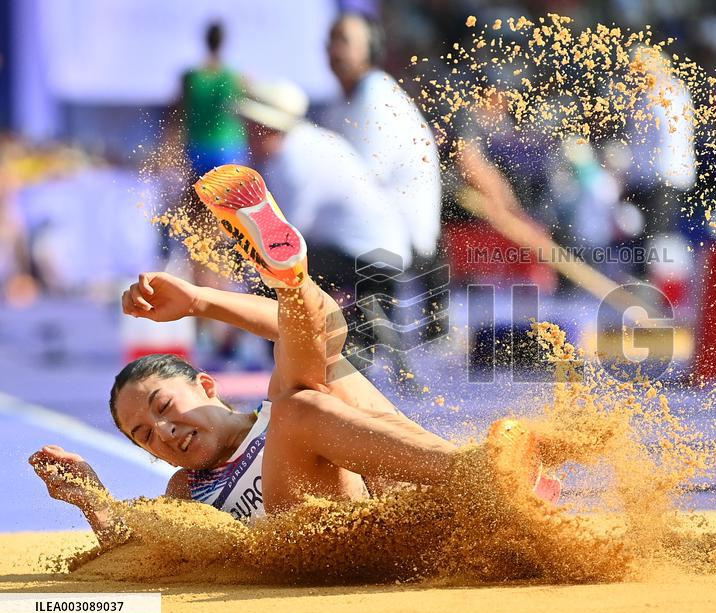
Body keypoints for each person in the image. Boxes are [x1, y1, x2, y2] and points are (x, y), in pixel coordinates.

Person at [29, 165, 559, 545]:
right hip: (328, 544)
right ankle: (481, 476)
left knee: (321, 368)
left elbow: (316, 333)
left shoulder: (282, 401)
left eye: (164, 408)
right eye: (146, 435)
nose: (164, 432)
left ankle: (289, 280)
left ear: (207, 385)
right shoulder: (185, 491)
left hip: (407, 505)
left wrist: (197, 300)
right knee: (299, 408)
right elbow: (135, 552)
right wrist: (91, 498)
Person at [238, 79, 412, 369]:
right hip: (375, 251)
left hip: (366, 257)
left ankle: (292, 364)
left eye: (250, 128)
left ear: (265, 127)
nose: (245, 136)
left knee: (267, 279)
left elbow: (285, 241)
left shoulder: (293, 158)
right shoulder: (304, 144)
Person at [324, 12, 441, 274]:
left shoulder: (376, 96)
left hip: (402, 241)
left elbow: (360, 180)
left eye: (343, 41)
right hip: (377, 233)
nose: (333, 49)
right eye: (330, 41)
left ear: (371, 50)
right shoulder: (350, 97)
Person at [177, 22, 249, 177]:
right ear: (223, 42)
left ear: (205, 40)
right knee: (230, 198)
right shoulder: (234, 78)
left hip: (197, 146)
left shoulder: (190, 77)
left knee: (196, 198)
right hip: (228, 146)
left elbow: (177, 113)